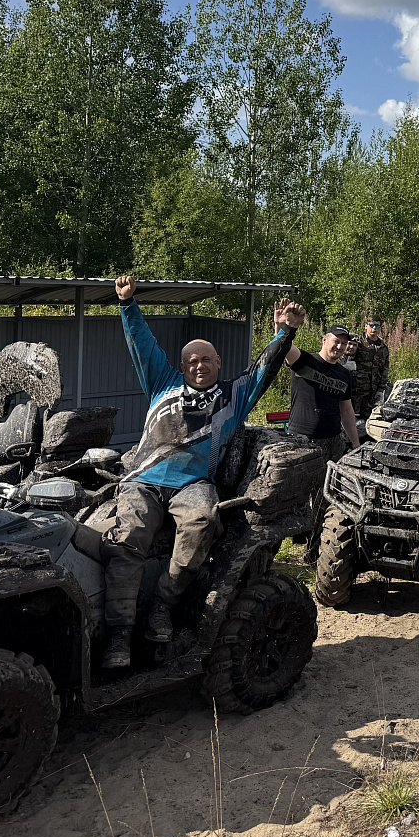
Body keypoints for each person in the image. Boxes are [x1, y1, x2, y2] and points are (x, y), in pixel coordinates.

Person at [102, 276, 303, 669]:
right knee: (127, 539)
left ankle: (163, 604)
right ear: (182, 367)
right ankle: (119, 634)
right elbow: (141, 344)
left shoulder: (235, 396)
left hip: (193, 485)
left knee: (202, 521)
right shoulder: (162, 382)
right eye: (192, 360)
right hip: (143, 480)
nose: (198, 365)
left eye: (206, 359)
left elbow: (264, 368)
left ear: (218, 363)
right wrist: (127, 304)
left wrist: (285, 332)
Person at [284, 325, 360, 460]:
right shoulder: (305, 362)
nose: (339, 346)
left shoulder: (344, 374)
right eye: (336, 341)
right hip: (302, 440)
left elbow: (347, 410)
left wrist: (355, 443)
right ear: (325, 340)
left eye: (344, 343)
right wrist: (283, 327)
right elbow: (284, 346)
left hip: (333, 441)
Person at [349, 318, 390, 419]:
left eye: (377, 326)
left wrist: (381, 390)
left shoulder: (383, 348)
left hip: (372, 393)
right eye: (372, 325)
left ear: (380, 328)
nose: (374, 328)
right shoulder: (357, 342)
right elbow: (346, 360)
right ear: (366, 326)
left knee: (369, 420)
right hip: (356, 391)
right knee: (351, 419)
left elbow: (384, 370)